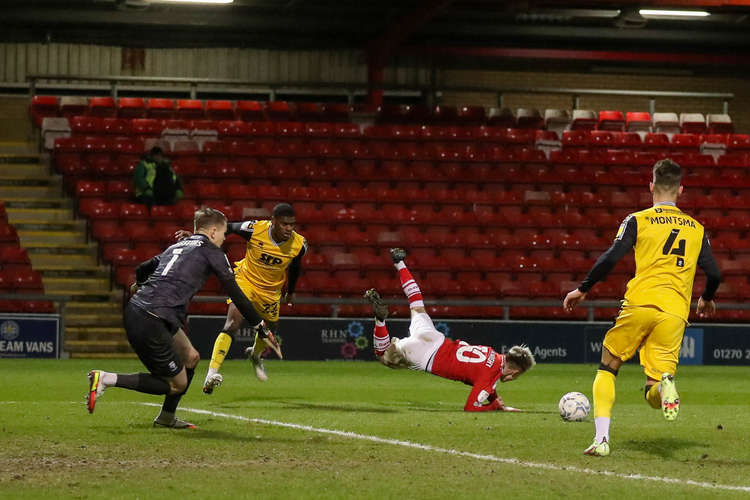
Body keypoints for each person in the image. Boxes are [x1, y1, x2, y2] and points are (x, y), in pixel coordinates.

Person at [563, 159, 721, 457]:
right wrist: (707, 297)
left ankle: (601, 440)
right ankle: (665, 388)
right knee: (653, 388)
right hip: (675, 313)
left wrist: (583, 288)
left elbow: (611, 258)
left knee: (608, 366)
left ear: (651, 186)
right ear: (681, 190)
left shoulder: (638, 219)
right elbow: (715, 274)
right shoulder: (697, 229)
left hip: (640, 303)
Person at [86, 207, 273, 428]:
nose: (224, 239)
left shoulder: (177, 246)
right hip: (152, 318)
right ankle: (106, 379)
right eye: (223, 234)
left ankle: (166, 417)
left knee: (191, 357)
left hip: (145, 312)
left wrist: (139, 285)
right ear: (213, 232)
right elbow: (235, 292)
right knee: (176, 384)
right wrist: (259, 324)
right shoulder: (213, 252)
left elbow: (143, 267)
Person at [364, 248, 535, 412]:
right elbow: (471, 407)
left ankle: (399, 263)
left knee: (416, 303)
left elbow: (485, 380)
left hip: (434, 338)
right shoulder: (490, 375)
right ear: (513, 372)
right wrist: (494, 406)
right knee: (382, 356)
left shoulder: (492, 353)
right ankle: (380, 320)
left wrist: (494, 399)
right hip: (425, 356)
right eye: (517, 376)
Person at [176, 202, 306, 393]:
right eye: (284, 224)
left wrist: (291, 291)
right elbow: (226, 228)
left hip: (271, 292)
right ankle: (212, 373)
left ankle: (255, 355)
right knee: (232, 324)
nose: (289, 228)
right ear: (273, 221)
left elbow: (295, 267)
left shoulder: (299, 244)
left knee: (269, 331)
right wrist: (198, 237)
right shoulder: (254, 229)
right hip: (246, 281)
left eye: (291, 224)